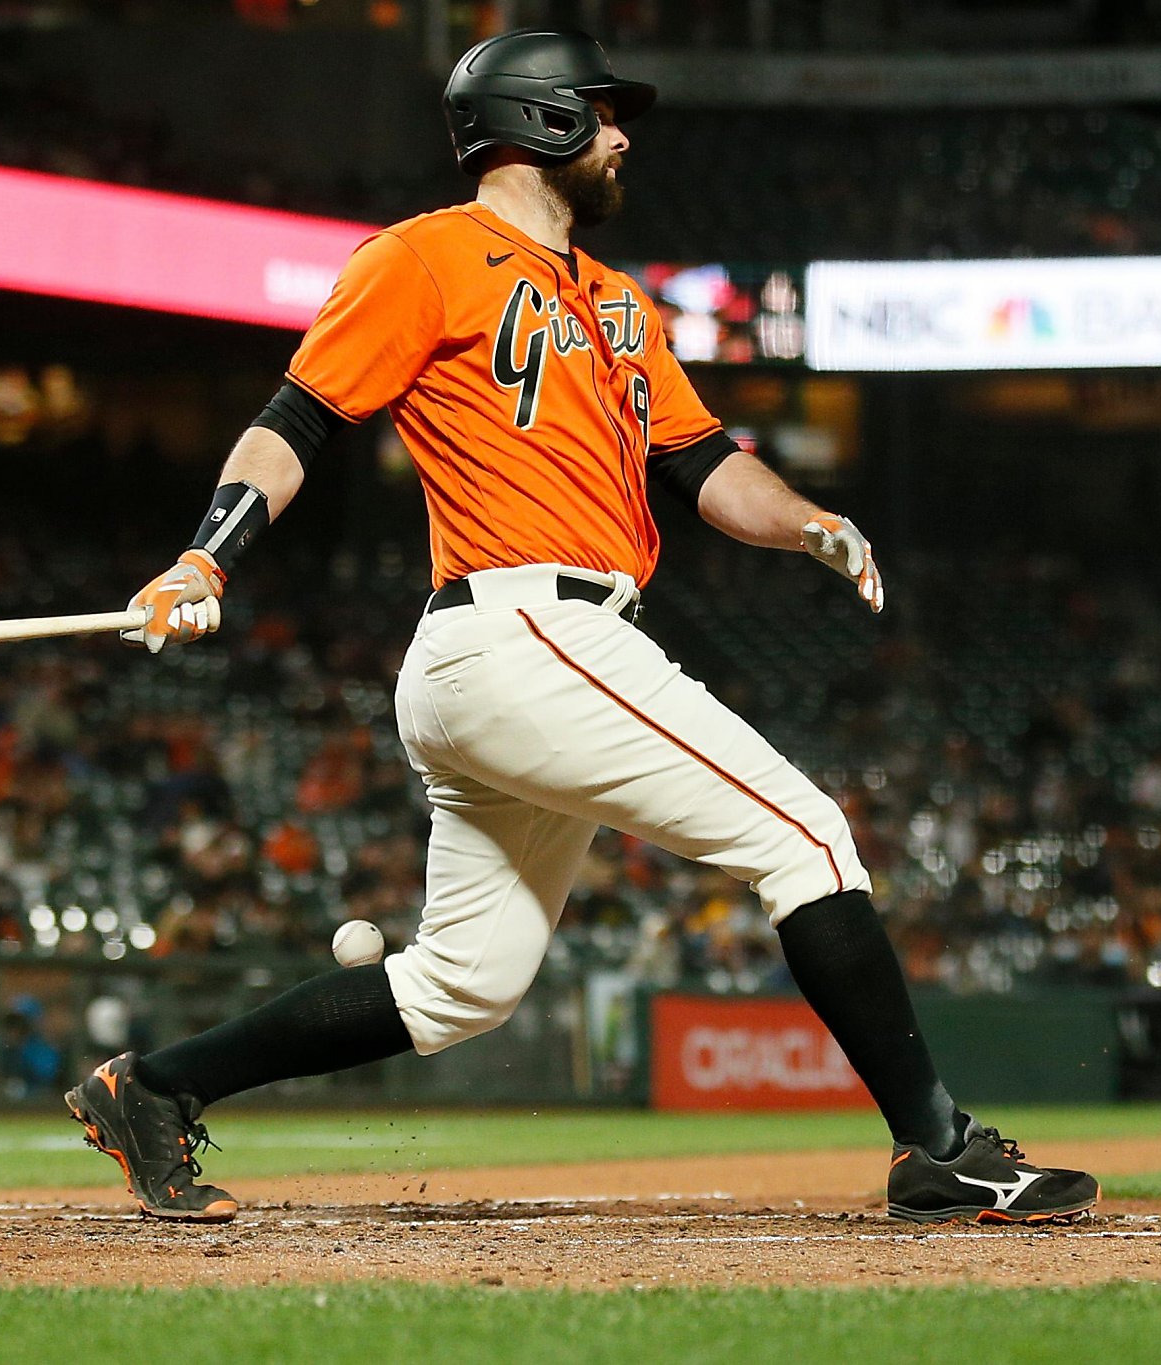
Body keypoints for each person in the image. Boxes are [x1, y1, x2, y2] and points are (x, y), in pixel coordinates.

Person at [67, 29, 1098, 1227]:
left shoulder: (618, 304)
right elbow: (294, 420)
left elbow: (708, 468)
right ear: (540, 120)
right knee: (806, 837)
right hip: (521, 629)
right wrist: (208, 552)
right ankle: (936, 1148)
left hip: (520, 654)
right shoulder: (423, 257)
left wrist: (808, 522)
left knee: (461, 987)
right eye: (601, 113)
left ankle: (154, 1087)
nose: (621, 136)